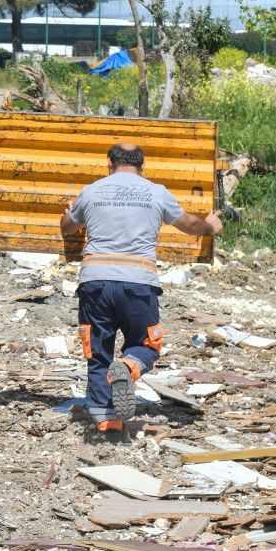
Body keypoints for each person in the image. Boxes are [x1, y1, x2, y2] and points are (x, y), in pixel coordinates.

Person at [60, 143, 222, 434]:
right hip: (139, 283)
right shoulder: (156, 192)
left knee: (97, 351)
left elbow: (67, 228)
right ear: (141, 166)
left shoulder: (92, 191)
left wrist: (67, 215)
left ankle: (107, 419)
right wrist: (211, 225)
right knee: (146, 344)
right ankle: (131, 366)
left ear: (109, 163)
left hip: (95, 282)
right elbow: (189, 225)